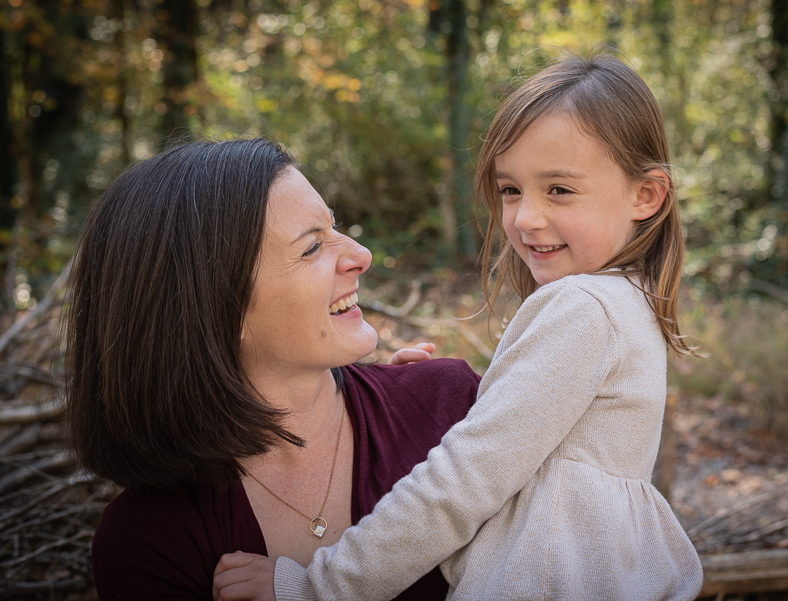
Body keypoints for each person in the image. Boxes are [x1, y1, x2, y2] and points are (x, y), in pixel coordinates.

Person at [214, 53, 705, 601]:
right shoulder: (625, 303)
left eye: (559, 190)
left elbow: (464, 482)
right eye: (511, 190)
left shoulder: (583, 306)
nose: (524, 218)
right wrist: (397, 396)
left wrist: (313, 588)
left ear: (646, 195)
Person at [66, 137, 482, 600]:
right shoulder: (148, 544)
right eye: (311, 248)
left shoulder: (451, 409)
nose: (360, 255)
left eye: (335, 227)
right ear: (217, 310)